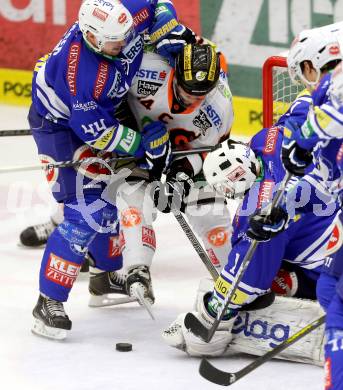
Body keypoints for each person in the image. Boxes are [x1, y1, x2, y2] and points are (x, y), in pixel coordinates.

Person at [29, 0, 195, 340]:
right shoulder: (82, 77)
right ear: (91, 37)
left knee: (110, 196)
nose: (123, 44)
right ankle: (46, 304)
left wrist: (167, 25)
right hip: (60, 130)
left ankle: (102, 280)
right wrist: (140, 145)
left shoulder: (121, 19)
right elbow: (99, 133)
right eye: (114, 42)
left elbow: (157, 3)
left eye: (126, 36)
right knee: (87, 213)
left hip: (104, 114)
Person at [161, 90, 341, 364]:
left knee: (269, 284)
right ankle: (294, 281)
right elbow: (304, 104)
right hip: (334, 215)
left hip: (330, 264)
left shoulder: (256, 210)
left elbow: (247, 278)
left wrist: (213, 311)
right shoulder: (268, 139)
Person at [87, 42, 235, 307]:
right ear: (174, 72)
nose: (191, 100)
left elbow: (211, 154)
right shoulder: (146, 67)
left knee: (210, 214)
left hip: (188, 156)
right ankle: (137, 271)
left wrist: (181, 176)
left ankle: (237, 284)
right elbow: (109, 99)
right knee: (131, 198)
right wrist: (135, 136)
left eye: (200, 95)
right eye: (186, 90)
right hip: (140, 146)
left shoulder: (220, 107)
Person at [279, 25, 343, 389]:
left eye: (304, 66)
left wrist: (302, 143)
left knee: (336, 302)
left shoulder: (334, 90)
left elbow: (332, 118)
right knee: (329, 289)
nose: (304, 78)